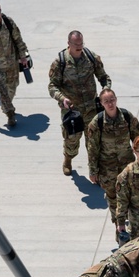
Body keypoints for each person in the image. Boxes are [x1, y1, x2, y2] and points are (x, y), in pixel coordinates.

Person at [48, 31, 111, 175]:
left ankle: (95, 171)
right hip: (72, 110)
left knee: (94, 143)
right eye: (76, 44)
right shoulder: (60, 62)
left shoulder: (91, 57)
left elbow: (103, 77)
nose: (79, 47)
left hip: (91, 109)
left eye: (81, 43)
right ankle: (68, 160)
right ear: (68, 43)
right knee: (72, 142)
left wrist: (105, 90)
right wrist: (62, 98)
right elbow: (52, 86)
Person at [86, 89, 139, 239]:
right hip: (108, 170)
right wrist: (93, 171)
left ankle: (133, 229)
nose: (110, 103)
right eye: (106, 101)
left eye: (112, 100)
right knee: (114, 200)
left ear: (116, 99)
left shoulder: (127, 117)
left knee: (132, 197)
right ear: (101, 103)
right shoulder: (97, 123)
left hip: (128, 166)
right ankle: (120, 230)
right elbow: (92, 149)